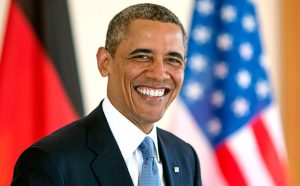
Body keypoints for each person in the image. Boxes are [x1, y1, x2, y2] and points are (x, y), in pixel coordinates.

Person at [11, 3, 202, 186]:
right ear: (104, 62)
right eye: (142, 56)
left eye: (172, 60)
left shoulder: (185, 157)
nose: (159, 73)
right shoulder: (50, 161)